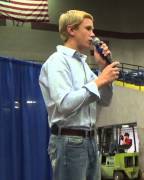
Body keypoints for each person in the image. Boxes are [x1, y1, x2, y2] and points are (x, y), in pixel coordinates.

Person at [39, 10, 120, 180]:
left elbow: (105, 100)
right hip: (69, 141)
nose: (93, 34)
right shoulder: (57, 61)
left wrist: (103, 69)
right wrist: (99, 81)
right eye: (88, 29)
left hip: (90, 140)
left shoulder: (83, 65)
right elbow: (65, 104)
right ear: (71, 30)